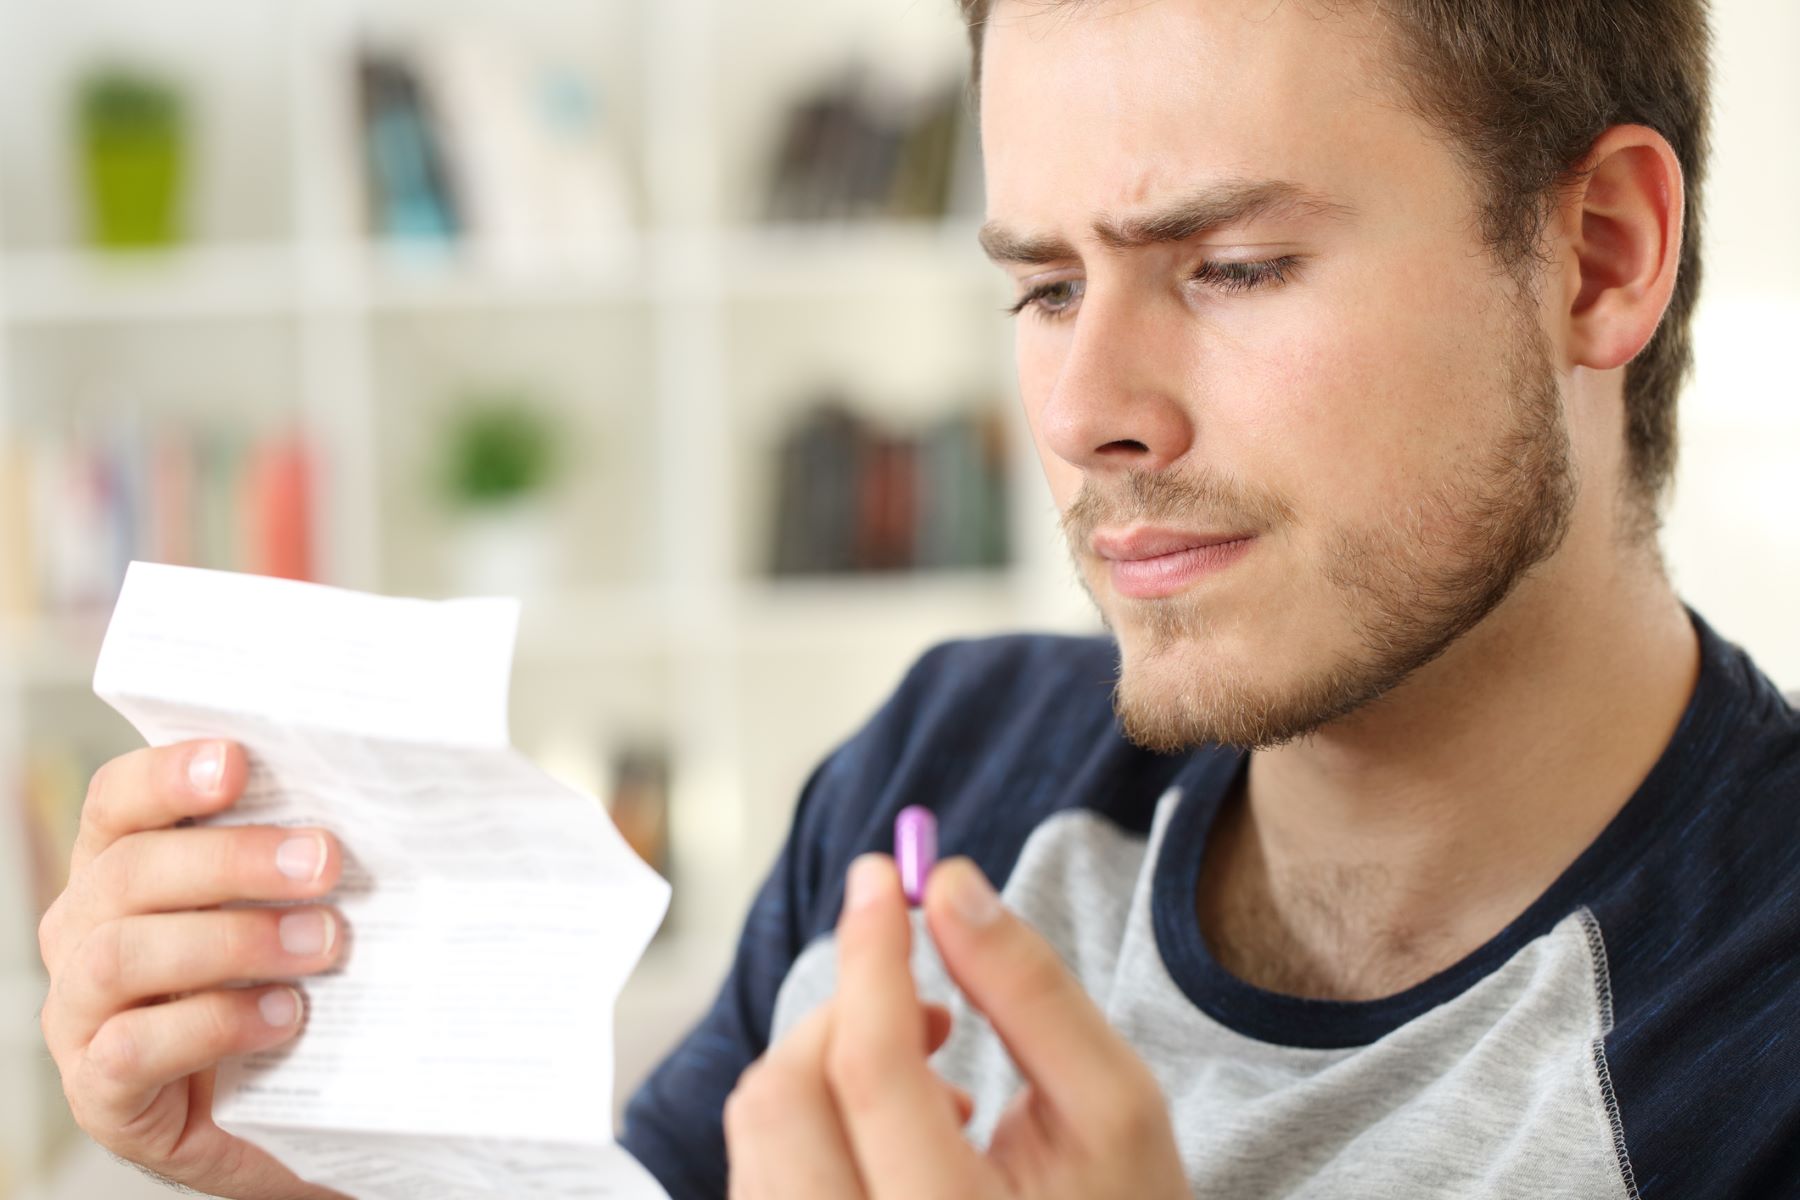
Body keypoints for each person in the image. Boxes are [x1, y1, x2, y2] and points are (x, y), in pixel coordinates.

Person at [33, 0, 1800, 1197]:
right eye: (1042, 287)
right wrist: (332, 1165)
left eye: (1234, 266)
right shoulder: (939, 773)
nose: (1088, 409)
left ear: (1599, 259)